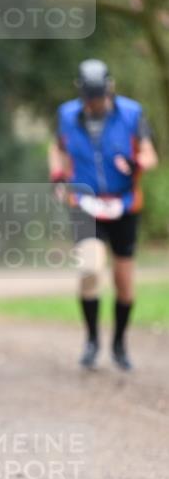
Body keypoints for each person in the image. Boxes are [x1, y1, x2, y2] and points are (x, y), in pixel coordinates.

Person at [49, 59, 158, 370]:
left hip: (123, 204)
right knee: (90, 269)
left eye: (99, 97)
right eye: (89, 98)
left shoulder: (132, 113)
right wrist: (58, 176)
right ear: (80, 94)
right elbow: (56, 148)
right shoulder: (67, 114)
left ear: (109, 90)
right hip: (86, 204)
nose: (94, 104)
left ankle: (120, 343)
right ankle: (92, 340)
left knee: (124, 283)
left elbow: (150, 154)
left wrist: (137, 164)